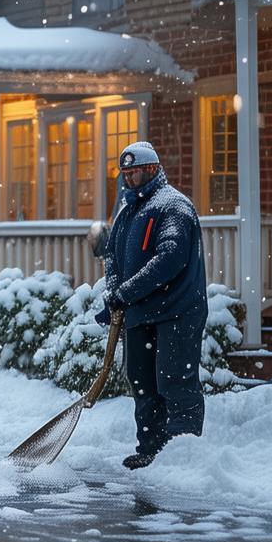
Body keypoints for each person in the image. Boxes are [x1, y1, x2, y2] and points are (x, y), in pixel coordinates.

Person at [95, 141, 207, 469]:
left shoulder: (173, 207)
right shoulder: (128, 212)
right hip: (140, 314)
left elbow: (168, 259)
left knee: (174, 380)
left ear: (153, 170)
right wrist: (115, 292)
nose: (129, 180)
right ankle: (150, 448)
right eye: (125, 174)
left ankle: (181, 455)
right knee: (142, 382)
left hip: (177, 310)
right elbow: (112, 256)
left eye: (136, 173)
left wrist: (124, 293)